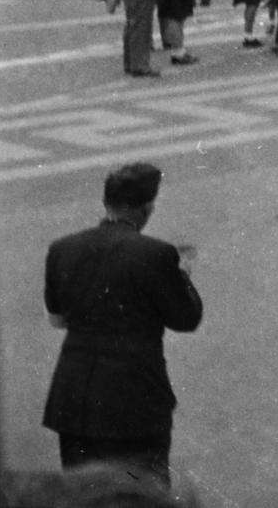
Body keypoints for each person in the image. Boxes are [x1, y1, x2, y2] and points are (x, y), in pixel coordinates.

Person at [43, 163, 202, 489]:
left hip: (74, 398)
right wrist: (182, 273)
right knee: (144, 492)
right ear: (146, 209)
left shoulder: (62, 248)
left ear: (106, 203)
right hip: (135, 398)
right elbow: (186, 319)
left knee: (83, 495)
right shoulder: (156, 253)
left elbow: (57, 319)